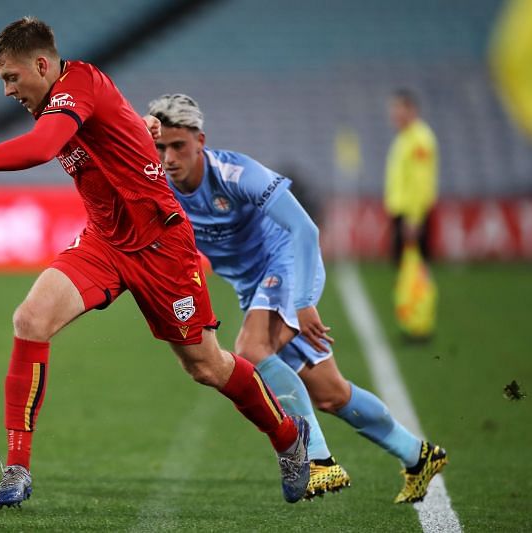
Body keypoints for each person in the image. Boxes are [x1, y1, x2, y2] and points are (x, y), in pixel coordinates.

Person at [0, 17, 311, 508]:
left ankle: (286, 436)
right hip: (105, 243)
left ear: (42, 65)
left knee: (206, 366)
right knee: (30, 319)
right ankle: (17, 468)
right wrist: (140, 130)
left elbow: (42, 149)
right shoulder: (65, 97)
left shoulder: (76, 85)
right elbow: (119, 127)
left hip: (161, 247)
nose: (6, 91)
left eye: (11, 77)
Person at [147, 93, 448, 503]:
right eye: (160, 146)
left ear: (201, 139)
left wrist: (303, 302)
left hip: (287, 264)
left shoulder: (235, 173)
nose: (168, 157)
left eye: (178, 145)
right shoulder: (157, 187)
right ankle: (419, 455)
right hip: (253, 287)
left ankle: (319, 461)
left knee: (252, 349)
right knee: (331, 393)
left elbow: (304, 230)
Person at [385, 89, 439, 265]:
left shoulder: (419, 140)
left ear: (412, 110)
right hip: (402, 211)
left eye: (399, 108)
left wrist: (414, 218)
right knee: (405, 270)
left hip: (411, 214)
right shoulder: (404, 138)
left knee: (414, 271)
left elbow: (420, 181)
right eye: (393, 108)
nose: (394, 113)